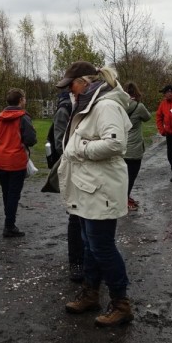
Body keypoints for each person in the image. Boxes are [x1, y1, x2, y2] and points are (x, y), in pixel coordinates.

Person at [58, 63, 135, 327]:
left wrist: (80, 149)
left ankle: (121, 303)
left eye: (71, 84)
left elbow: (116, 144)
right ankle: (91, 293)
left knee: (102, 246)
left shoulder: (106, 106)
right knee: (89, 244)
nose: (69, 90)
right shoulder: (89, 105)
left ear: (85, 82)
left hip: (101, 189)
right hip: (88, 188)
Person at [51, 69, 85, 282]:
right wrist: (84, 151)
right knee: (76, 216)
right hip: (74, 170)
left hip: (92, 172)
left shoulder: (93, 105)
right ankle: (77, 262)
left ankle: (89, 260)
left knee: (90, 217)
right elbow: (60, 144)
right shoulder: (65, 109)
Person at [0, 88, 37, 238]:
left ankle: (9, 222)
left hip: (1, 161)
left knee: (6, 193)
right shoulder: (23, 117)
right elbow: (31, 139)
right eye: (25, 98)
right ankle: (9, 226)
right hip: (16, 161)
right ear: (21, 100)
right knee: (14, 194)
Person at [123, 82, 151, 211]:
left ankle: (124, 197)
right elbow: (147, 117)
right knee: (131, 175)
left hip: (121, 146)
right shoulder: (139, 107)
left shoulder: (118, 106)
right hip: (134, 148)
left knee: (122, 176)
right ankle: (124, 200)